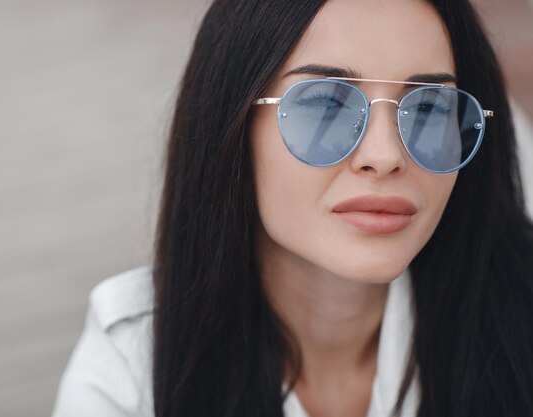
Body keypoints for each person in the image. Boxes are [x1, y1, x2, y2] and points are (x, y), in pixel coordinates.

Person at [51, 0, 533, 416]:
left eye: (429, 108)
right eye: (325, 104)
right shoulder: (133, 367)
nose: (386, 156)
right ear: (233, 126)